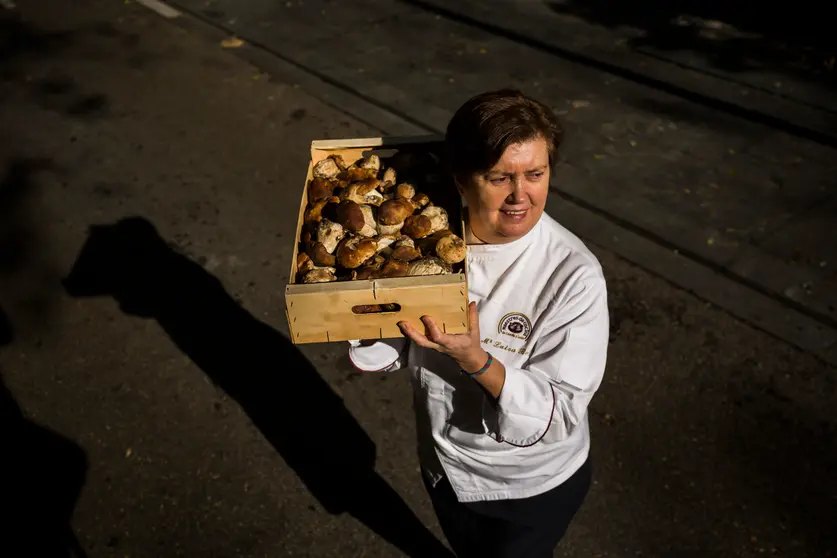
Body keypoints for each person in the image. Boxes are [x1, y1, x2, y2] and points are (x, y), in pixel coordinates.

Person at [348, 89, 610, 558]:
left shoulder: (573, 273)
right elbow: (390, 342)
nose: (520, 195)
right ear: (461, 179)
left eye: (535, 174)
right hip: (442, 464)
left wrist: (476, 359)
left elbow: (562, 411)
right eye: (498, 177)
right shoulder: (426, 237)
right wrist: (367, 301)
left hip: (526, 489)